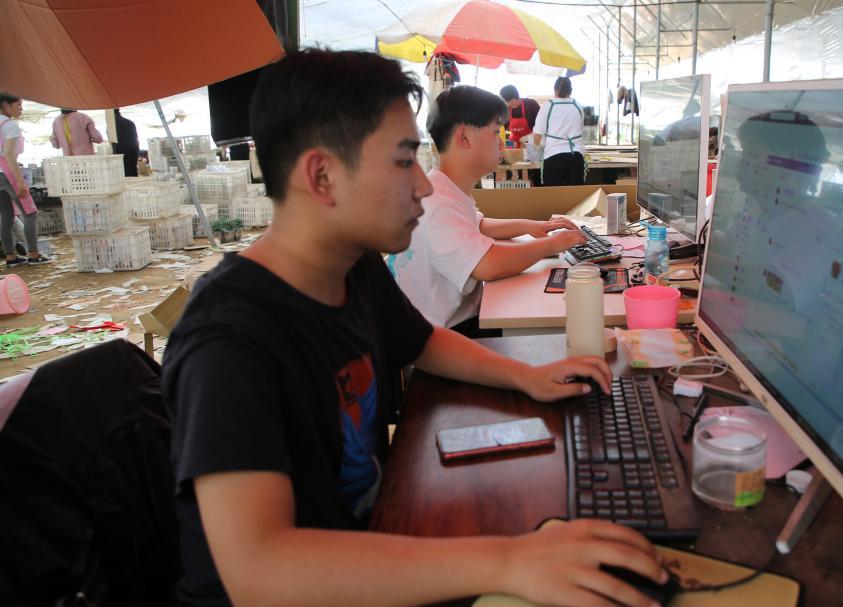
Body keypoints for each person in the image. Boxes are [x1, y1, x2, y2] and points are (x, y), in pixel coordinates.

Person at [163, 49, 664, 607]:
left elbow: (422, 341)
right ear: (322, 176)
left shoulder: (353, 266)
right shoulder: (229, 340)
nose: (424, 187)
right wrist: (506, 561)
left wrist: (525, 376)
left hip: (371, 542)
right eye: (404, 161)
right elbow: (260, 572)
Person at [393, 86, 586, 334]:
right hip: (442, 334)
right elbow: (488, 264)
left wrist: (531, 226)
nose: (501, 142)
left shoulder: (443, 188)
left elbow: (479, 225)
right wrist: (552, 244)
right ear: (464, 138)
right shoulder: (438, 205)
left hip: (455, 322)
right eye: (496, 132)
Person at [0, 93, 49, 267]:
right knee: (30, 212)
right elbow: (8, 154)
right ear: (6, 105)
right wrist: (20, 181)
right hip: (8, 172)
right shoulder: (10, 125)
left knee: (6, 216)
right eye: (18, 105)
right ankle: (34, 254)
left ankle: (11, 256)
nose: (21, 109)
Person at [534, 77, 586, 186]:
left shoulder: (548, 105)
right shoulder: (577, 105)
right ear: (571, 90)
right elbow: (580, 129)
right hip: (576, 155)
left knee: (552, 193)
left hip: (553, 155)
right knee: (575, 193)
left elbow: (537, 134)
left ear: (555, 90)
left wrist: (536, 147)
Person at [112, 108, 139, 176]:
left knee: (125, 172)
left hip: (121, 151)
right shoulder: (129, 122)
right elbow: (136, 137)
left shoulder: (112, 124)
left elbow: (112, 140)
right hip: (134, 148)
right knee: (133, 169)